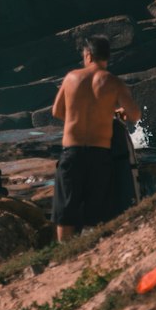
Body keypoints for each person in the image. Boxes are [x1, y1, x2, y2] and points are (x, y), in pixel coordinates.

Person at [50, 35, 141, 242]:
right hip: (99, 152)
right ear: (107, 57)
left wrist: (76, 117)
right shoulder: (114, 82)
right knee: (97, 208)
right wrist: (115, 114)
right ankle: (90, 252)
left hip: (71, 151)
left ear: (88, 55)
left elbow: (57, 111)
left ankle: (65, 253)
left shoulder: (71, 77)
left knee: (66, 209)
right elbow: (134, 115)